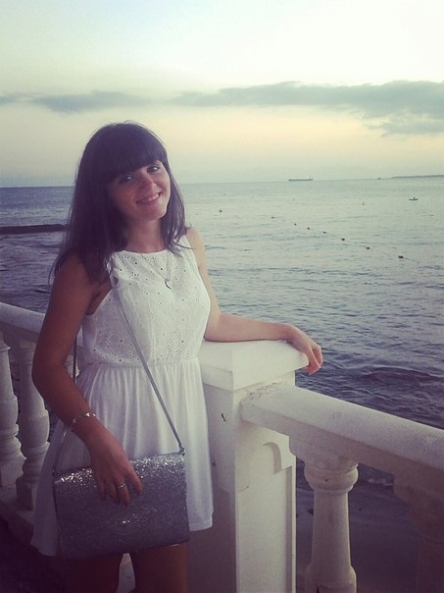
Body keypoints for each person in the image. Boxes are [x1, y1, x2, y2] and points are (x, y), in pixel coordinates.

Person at [31, 122, 323, 593]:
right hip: (105, 432)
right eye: (127, 177)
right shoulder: (89, 263)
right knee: (94, 582)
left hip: (173, 430)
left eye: (154, 167)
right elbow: (46, 367)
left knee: (168, 584)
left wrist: (286, 330)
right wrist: (98, 441)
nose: (148, 183)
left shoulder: (188, 242)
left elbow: (214, 324)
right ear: (102, 192)